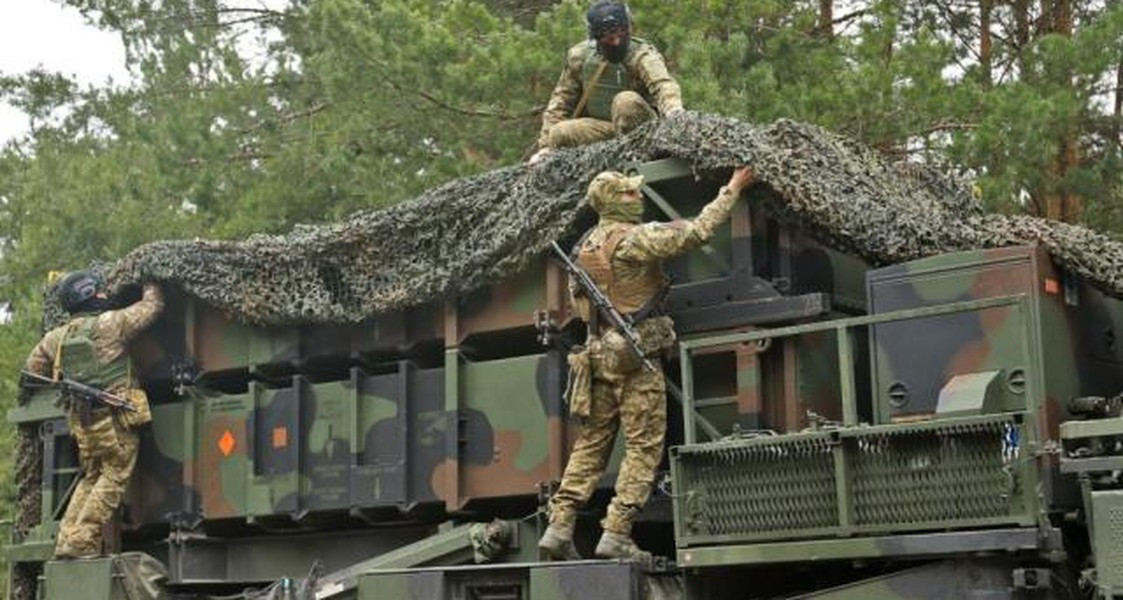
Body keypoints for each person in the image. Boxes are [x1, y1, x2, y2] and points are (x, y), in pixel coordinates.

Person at [539, 166, 755, 561]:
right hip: (635, 358)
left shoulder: (585, 246)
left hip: (597, 355)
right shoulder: (633, 239)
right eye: (628, 193)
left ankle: (559, 525)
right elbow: (698, 232)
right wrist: (732, 188)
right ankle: (617, 532)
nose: (638, 197)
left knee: (591, 445)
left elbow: (581, 305)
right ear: (612, 201)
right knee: (643, 447)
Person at [22, 272, 164, 559]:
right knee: (113, 475)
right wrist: (150, 279)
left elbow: (32, 370)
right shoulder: (110, 323)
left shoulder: (56, 338)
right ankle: (82, 540)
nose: (104, 294)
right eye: (99, 290)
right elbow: (153, 306)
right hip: (116, 419)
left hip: (83, 421)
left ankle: (66, 540)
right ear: (89, 294)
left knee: (91, 477)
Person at [529, 1, 683, 162]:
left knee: (625, 102)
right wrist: (545, 147)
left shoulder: (642, 55)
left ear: (628, 29)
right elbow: (561, 102)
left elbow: (663, 84)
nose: (616, 42)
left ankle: (638, 157)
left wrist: (674, 110)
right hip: (605, 131)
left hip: (644, 130)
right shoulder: (580, 57)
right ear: (596, 37)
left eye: (621, 34)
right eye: (609, 38)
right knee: (559, 132)